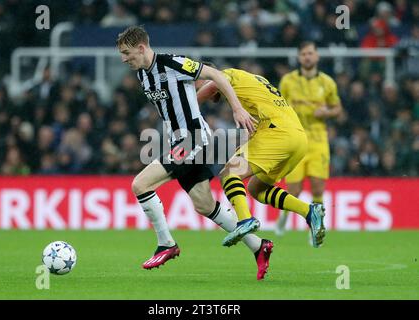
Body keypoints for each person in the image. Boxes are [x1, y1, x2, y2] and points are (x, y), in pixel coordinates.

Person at [116, 26, 273, 280]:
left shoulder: (173, 63)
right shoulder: (143, 76)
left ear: (141, 48)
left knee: (140, 184)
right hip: (179, 141)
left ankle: (166, 243)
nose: (124, 59)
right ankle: (259, 246)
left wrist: (237, 109)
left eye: (126, 52)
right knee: (203, 204)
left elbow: (217, 76)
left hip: (194, 139)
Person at [196, 63, 326, 248]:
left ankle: (245, 220)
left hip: (278, 134)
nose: (197, 87)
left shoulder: (227, 74)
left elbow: (216, 82)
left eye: (195, 83)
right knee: (257, 188)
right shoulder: (254, 82)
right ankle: (309, 211)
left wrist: (189, 103)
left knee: (229, 173)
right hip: (297, 138)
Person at [275, 41, 343, 238]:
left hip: (318, 139)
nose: (307, 57)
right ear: (298, 57)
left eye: (310, 53)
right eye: (304, 53)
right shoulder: (287, 81)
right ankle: (284, 216)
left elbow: (338, 108)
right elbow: (278, 105)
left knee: (317, 186)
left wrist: (327, 112)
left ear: (317, 56)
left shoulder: (327, 83)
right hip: (296, 138)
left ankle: (317, 227)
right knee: (294, 189)